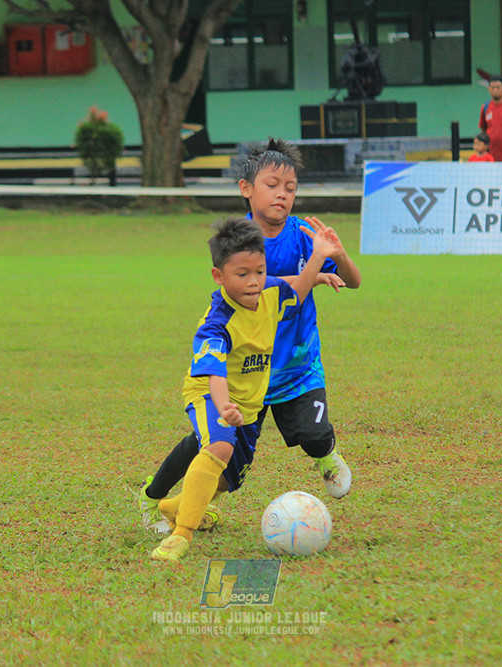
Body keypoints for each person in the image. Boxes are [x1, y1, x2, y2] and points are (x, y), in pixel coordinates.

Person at [138, 138, 363, 535]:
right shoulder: (239, 241)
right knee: (219, 457)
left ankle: (326, 456)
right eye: (272, 185)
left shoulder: (305, 235)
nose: (282, 195)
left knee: (313, 433)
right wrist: (313, 271)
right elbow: (274, 287)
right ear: (246, 188)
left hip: (296, 364)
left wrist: (337, 257)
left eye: (290, 188)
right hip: (246, 375)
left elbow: (354, 281)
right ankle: (162, 500)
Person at [149, 216, 340, 562]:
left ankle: (174, 507)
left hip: (247, 405)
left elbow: (295, 296)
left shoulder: (269, 293)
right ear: (218, 276)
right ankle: (180, 535)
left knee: (226, 481)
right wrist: (223, 407)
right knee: (219, 447)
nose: (254, 282)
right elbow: (214, 373)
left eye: (260, 271)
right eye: (243, 274)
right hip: (211, 395)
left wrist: (319, 257)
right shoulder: (216, 323)